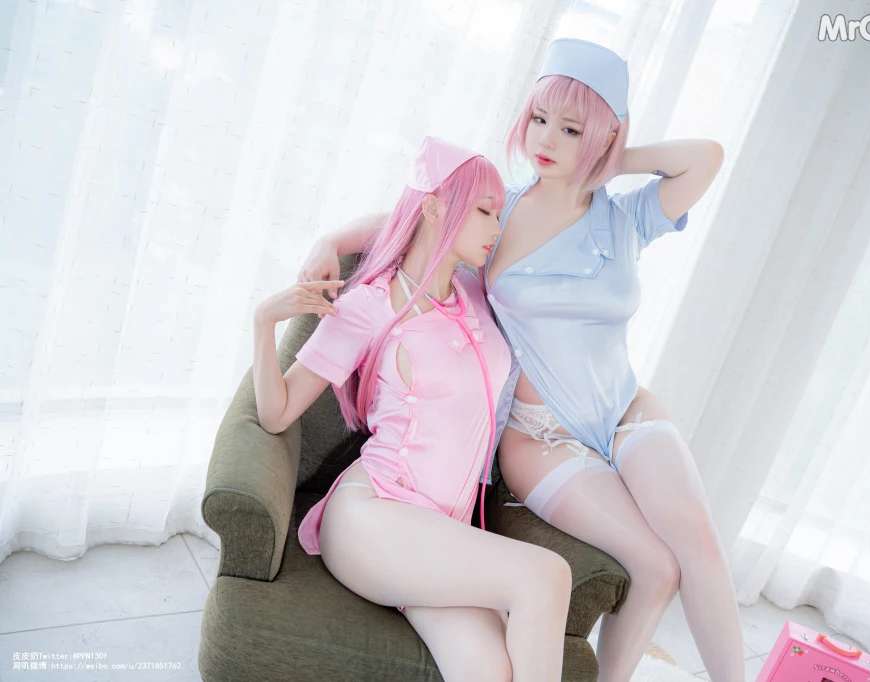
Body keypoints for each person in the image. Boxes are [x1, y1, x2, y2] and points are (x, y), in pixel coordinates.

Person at [300, 39, 741, 682]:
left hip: (625, 410)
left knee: (697, 544)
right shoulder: (497, 212)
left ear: (605, 136)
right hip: (540, 436)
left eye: (571, 129)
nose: (547, 140)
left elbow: (706, 158)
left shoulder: (625, 219)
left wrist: (610, 160)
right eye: (539, 119)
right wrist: (330, 238)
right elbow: (413, 216)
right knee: (655, 566)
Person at [253, 136, 572, 682]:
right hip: (373, 516)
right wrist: (263, 322)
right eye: (484, 211)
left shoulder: (474, 292)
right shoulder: (369, 305)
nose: (496, 228)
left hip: (439, 534)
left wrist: (338, 236)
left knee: (487, 670)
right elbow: (276, 413)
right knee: (546, 575)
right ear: (435, 208)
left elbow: (412, 221)